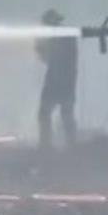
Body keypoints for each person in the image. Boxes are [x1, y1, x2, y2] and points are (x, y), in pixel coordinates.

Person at [35, 8, 78, 149]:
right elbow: (47, 58)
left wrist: (41, 47)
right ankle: (68, 146)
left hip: (59, 80)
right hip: (64, 80)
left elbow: (48, 58)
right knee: (64, 115)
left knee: (48, 113)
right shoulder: (65, 36)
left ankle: (47, 146)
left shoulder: (62, 37)